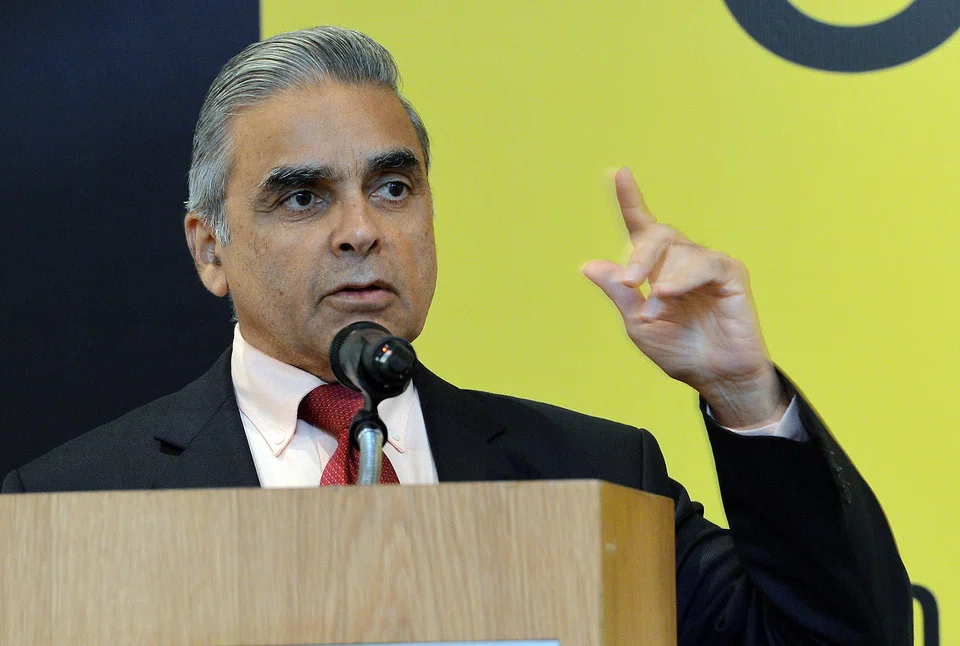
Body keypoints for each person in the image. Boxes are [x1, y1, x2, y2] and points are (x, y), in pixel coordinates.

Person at [2, 26, 910, 644]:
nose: (361, 230)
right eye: (304, 197)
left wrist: (744, 394)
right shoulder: (71, 505)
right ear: (211, 250)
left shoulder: (592, 478)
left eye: (393, 188)